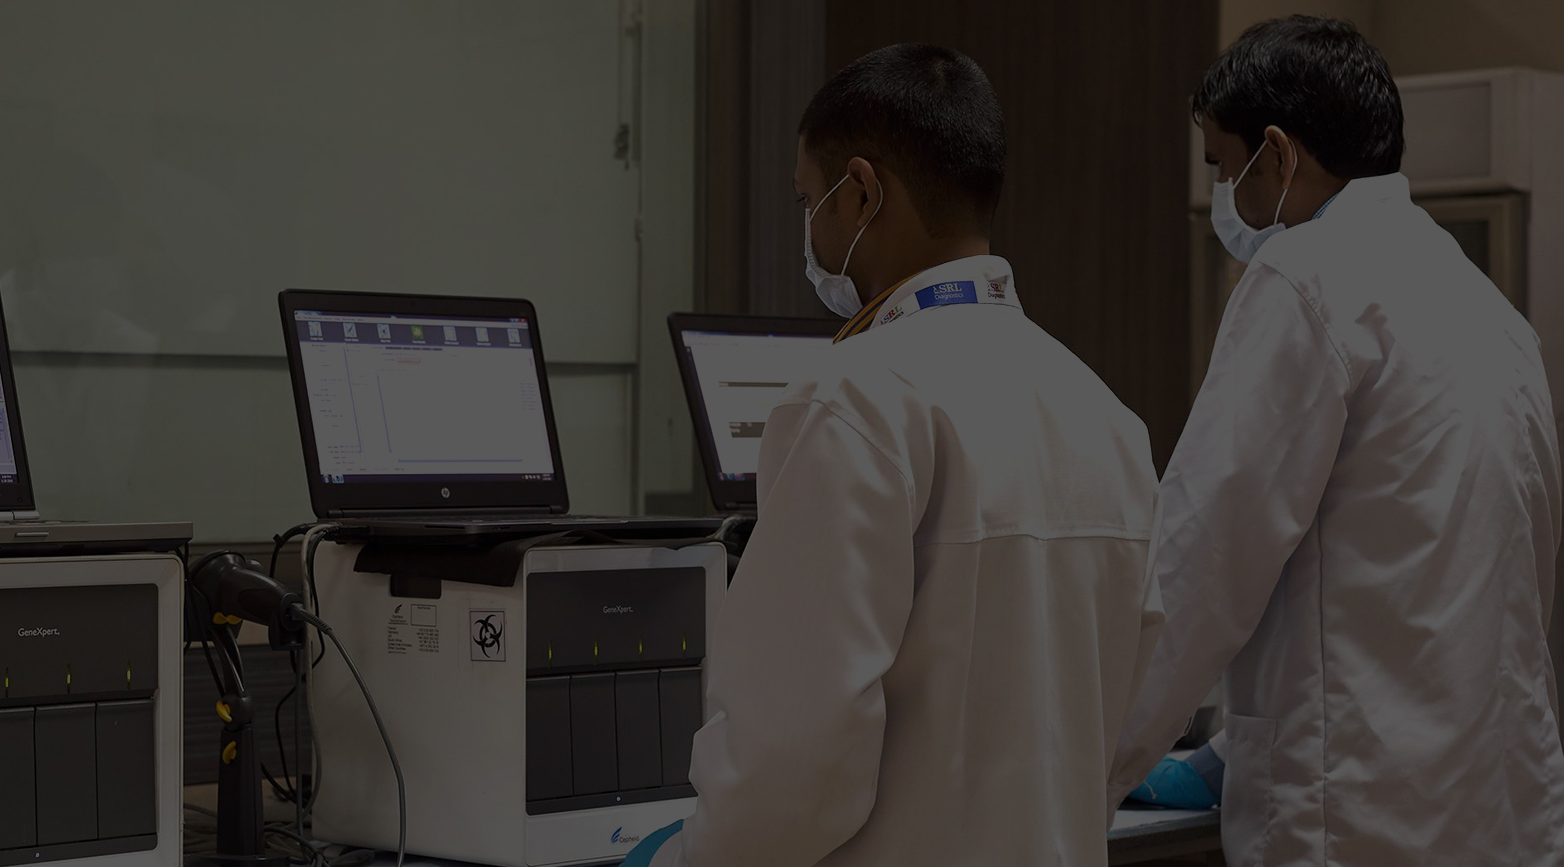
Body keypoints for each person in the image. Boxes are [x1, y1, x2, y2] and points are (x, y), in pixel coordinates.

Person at [623, 44, 1160, 867]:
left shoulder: (855, 397)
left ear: (862, 193)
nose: (810, 227)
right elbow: (1128, 702)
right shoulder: (1106, 414)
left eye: (808, 199)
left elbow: (791, 760)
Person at [1106, 16, 1564, 865]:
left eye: (1223, 166)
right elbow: (1492, 585)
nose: (1226, 197)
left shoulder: (1304, 279)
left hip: (1355, 819)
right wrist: (1225, 751)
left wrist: (1089, 766)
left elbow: (1198, 567)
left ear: (1277, 155)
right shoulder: (1492, 312)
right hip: (1497, 814)